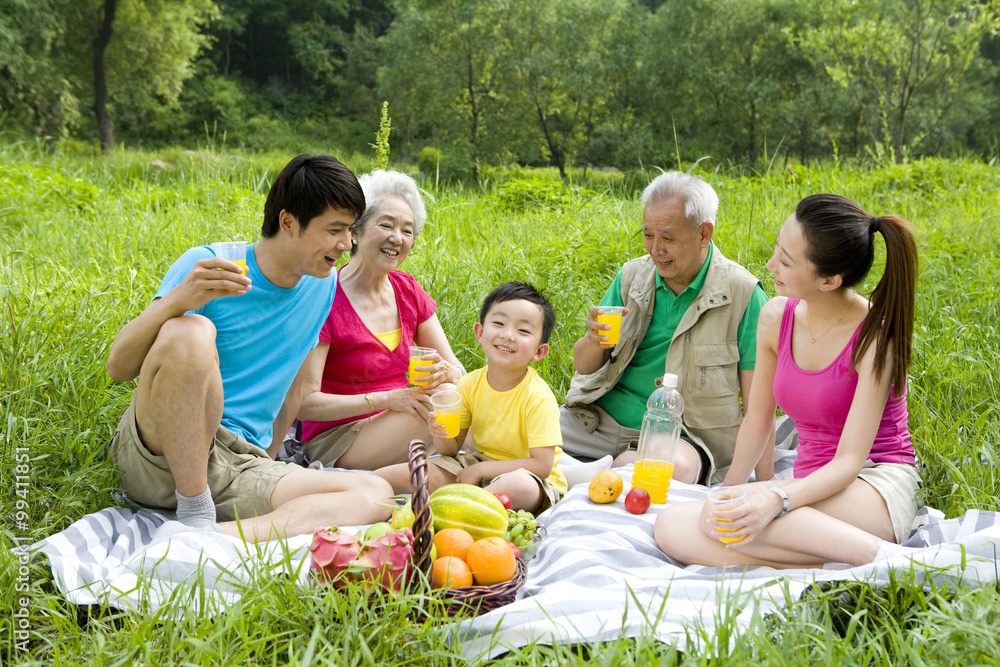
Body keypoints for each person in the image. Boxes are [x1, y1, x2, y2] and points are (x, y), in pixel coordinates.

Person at [106, 154, 394, 541]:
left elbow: (293, 389)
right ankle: (193, 507)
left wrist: (269, 462)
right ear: (288, 221)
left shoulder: (321, 282)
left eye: (350, 231)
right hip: (159, 453)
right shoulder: (210, 264)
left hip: (238, 466)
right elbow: (118, 368)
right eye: (335, 230)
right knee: (191, 332)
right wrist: (180, 299)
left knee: (375, 494)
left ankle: (209, 537)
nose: (347, 243)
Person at [655, 193, 921, 568]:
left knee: (728, 521)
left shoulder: (876, 336)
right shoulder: (776, 317)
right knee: (673, 526)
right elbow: (759, 419)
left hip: (873, 482)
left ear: (829, 280)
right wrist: (729, 491)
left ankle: (896, 562)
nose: (770, 264)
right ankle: (828, 559)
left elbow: (848, 462)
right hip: (809, 483)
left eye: (786, 259)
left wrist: (776, 499)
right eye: (777, 250)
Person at [561, 171, 771, 485]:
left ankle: (584, 475)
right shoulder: (632, 276)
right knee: (516, 431)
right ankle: (601, 474)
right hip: (596, 422)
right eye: (648, 235)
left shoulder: (743, 295)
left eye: (668, 238)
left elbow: (760, 404)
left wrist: (765, 483)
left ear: (704, 233)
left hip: (680, 439)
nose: (655, 248)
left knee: (669, 468)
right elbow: (584, 365)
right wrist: (595, 340)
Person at [294, 169, 464, 469]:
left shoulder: (407, 289)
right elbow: (305, 403)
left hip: (399, 421)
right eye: (386, 224)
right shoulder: (324, 295)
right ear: (355, 231)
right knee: (446, 410)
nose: (396, 238)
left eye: (407, 230)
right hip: (339, 435)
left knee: (470, 399)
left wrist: (445, 371)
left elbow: (459, 373)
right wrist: (387, 400)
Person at [375, 282, 567, 513]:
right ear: (480, 332)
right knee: (408, 473)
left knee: (519, 485)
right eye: (499, 323)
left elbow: (542, 466)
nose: (508, 335)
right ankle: (358, 487)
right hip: (476, 463)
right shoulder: (469, 383)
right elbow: (450, 451)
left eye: (523, 331)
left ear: (539, 351)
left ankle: (459, 509)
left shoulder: (538, 396)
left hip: (528, 477)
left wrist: (481, 471)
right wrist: (441, 433)